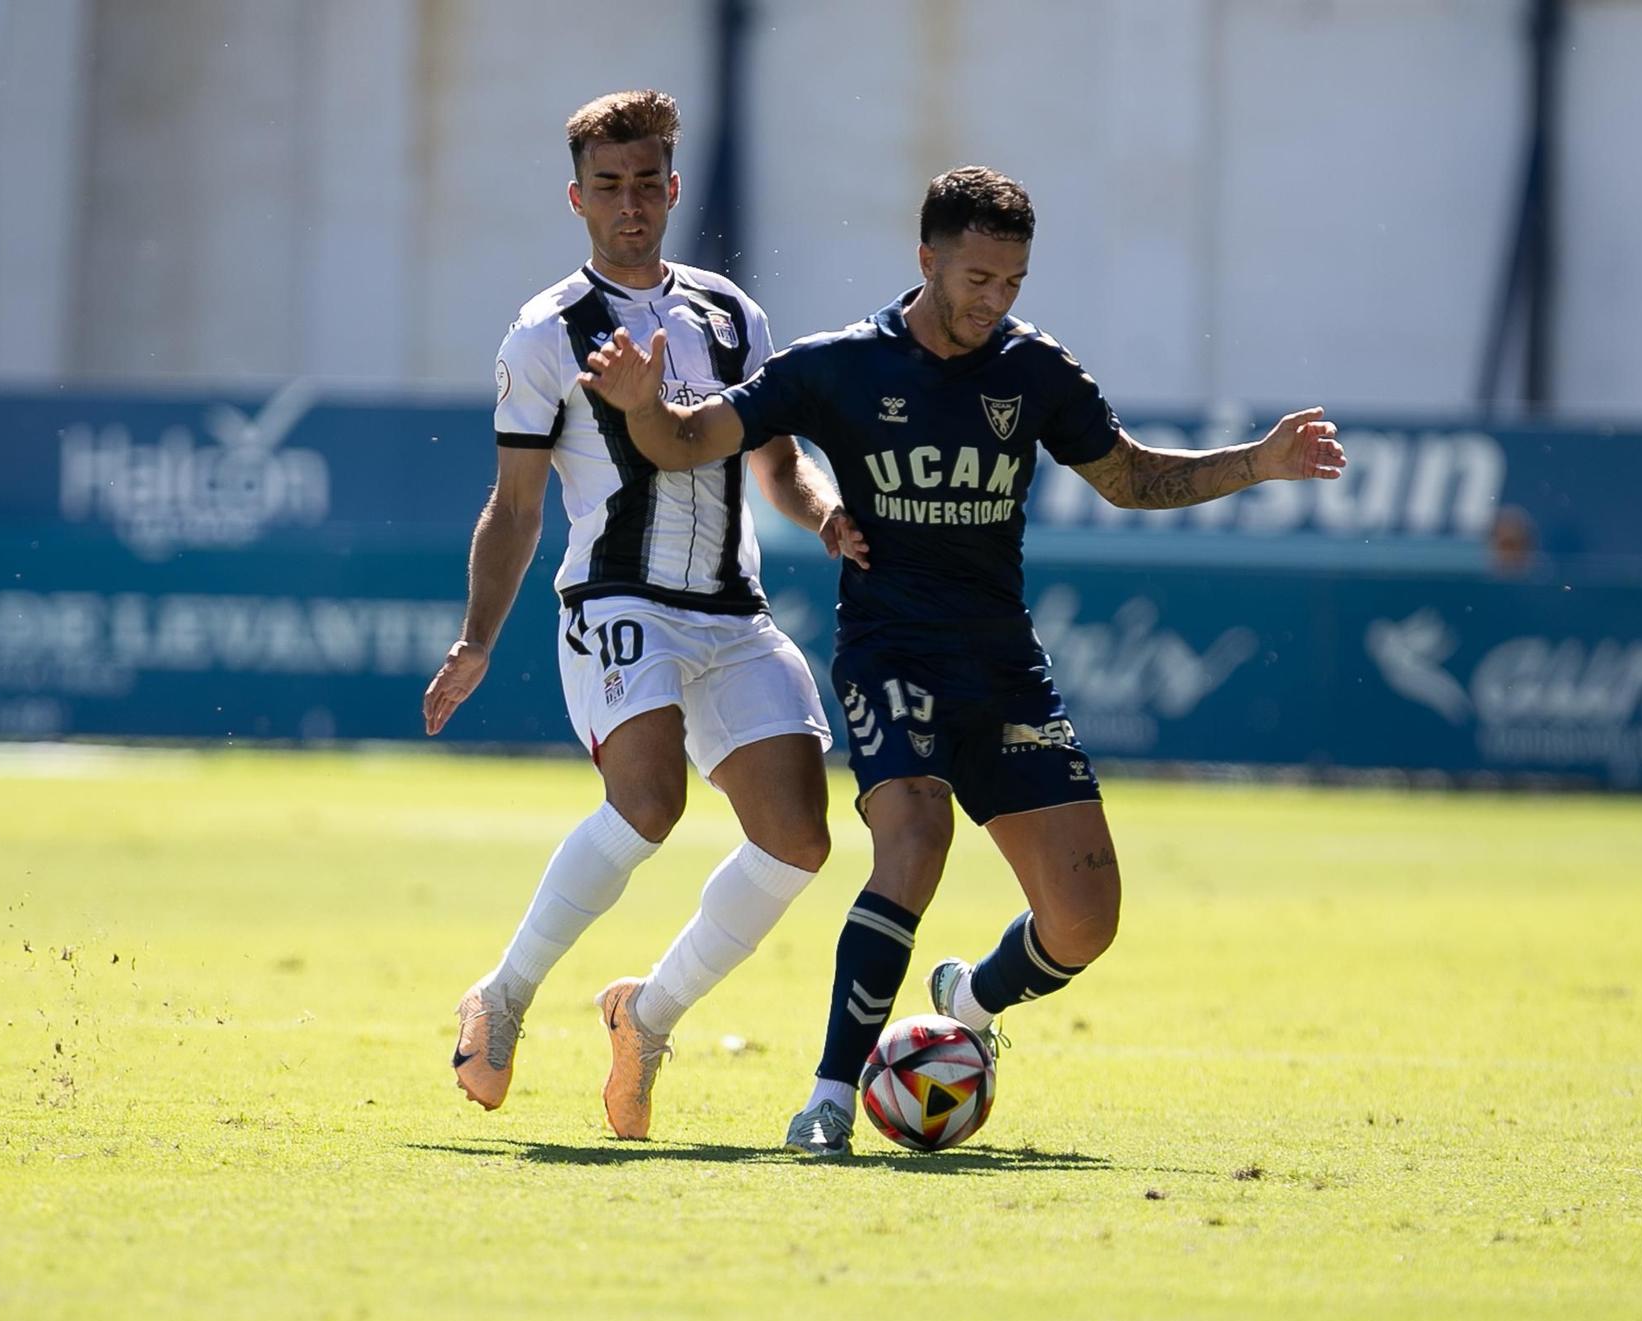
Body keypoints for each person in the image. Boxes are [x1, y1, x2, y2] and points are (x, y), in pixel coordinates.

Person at [578, 166, 1346, 1157]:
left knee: (1082, 921)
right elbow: (687, 439)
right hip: (888, 647)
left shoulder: (1034, 373)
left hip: (1001, 666)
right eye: (977, 277)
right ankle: (826, 1098)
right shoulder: (840, 366)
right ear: (926, 259)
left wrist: (1256, 462)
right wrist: (641, 407)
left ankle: (967, 998)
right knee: (914, 835)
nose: (994, 300)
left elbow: (1127, 477)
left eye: (1012, 281)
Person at [421, 89, 867, 1141]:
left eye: (645, 184)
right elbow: (515, 505)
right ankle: (505, 995)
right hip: (618, 600)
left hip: (731, 606)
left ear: (672, 187)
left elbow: (775, 463)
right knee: (648, 803)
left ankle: (646, 1014)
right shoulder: (543, 335)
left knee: (798, 839)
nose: (629, 204)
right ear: (576, 199)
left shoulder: (730, 314)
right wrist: (476, 637)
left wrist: (825, 514)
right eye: (607, 187)